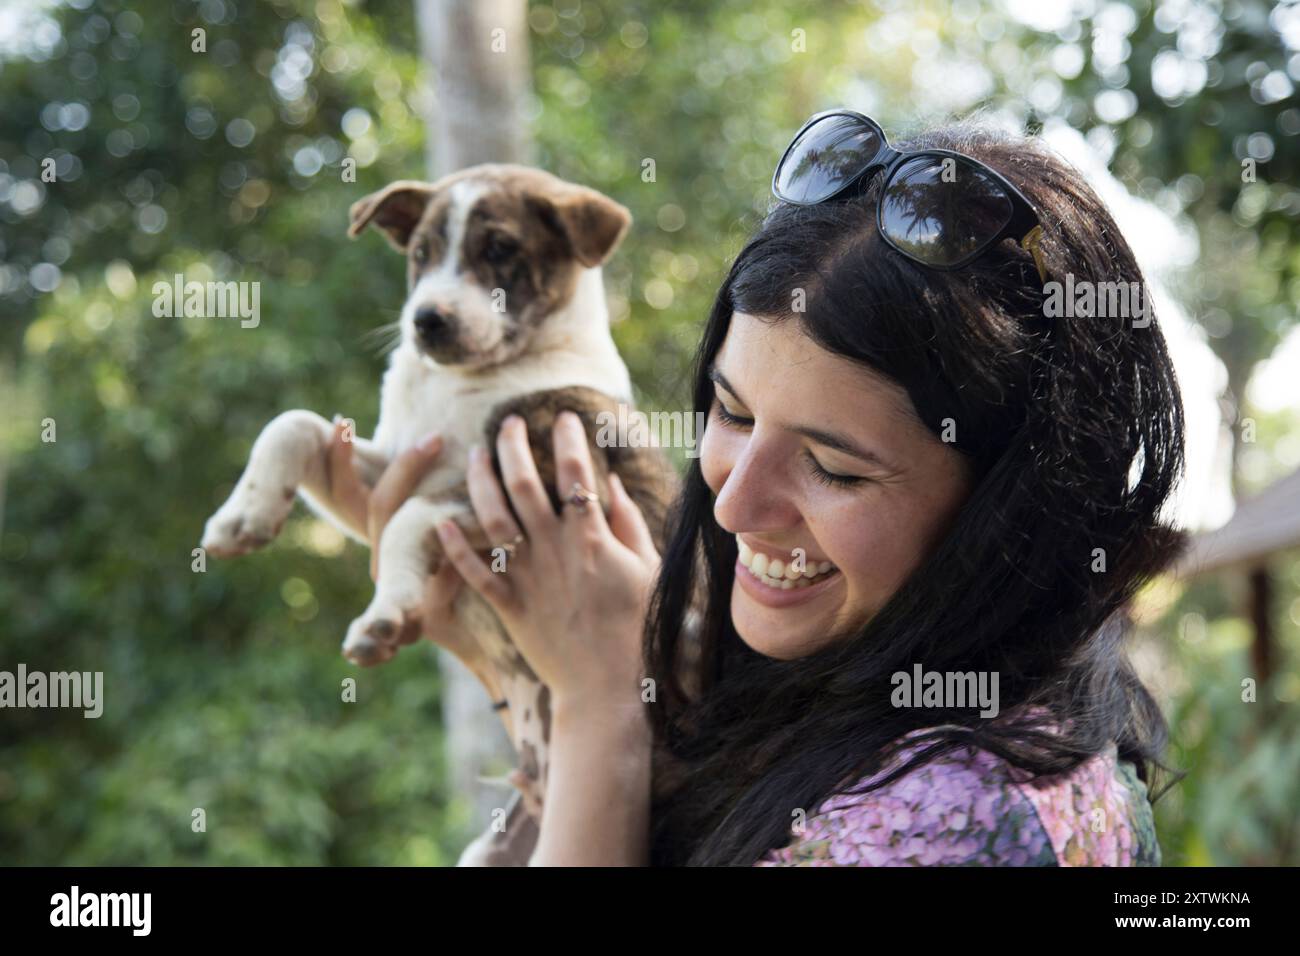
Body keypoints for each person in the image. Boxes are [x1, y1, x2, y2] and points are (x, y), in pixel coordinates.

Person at [328, 114, 1186, 866]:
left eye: (835, 468)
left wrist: (601, 704)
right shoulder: (835, 686)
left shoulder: (952, 822)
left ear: (1015, 504)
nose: (736, 507)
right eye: (731, 415)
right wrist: (520, 660)